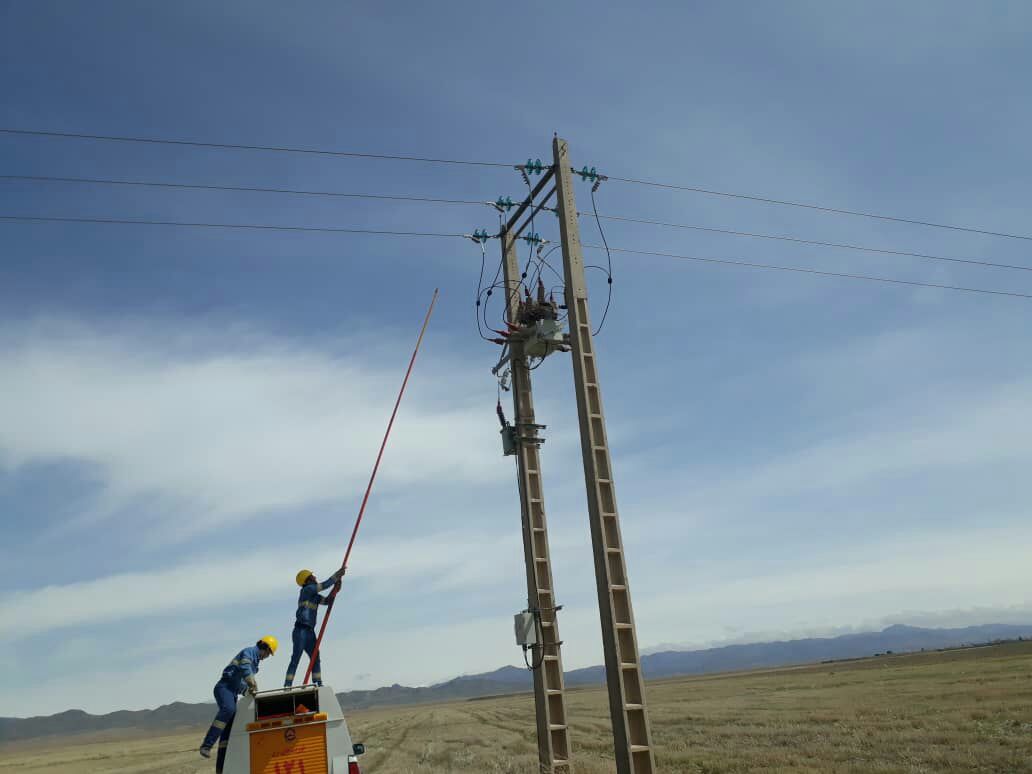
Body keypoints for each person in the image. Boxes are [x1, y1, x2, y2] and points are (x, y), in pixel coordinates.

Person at [199, 636, 278, 764]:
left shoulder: (255, 664)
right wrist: (252, 682)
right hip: (224, 687)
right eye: (268, 653)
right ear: (264, 647)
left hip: (233, 692)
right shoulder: (249, 652)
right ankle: (206, 746)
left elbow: (240, 683)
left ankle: (222, 765)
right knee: (229, 709)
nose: (267, 657)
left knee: (230, 726)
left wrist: (248, 691)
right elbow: (244, 667)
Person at [284, 566, 345, 687]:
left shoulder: (314, 596)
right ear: (307, 580)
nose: (315, 577)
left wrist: (335, 590)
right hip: (300, 630)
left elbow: (327, 601)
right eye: (312, 576)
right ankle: (287, 686)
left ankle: (318, 683)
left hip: (310, 632)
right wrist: (336, 575)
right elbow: (324, 585)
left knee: (315, 658)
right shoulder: (307, 590)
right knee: (296, 658)